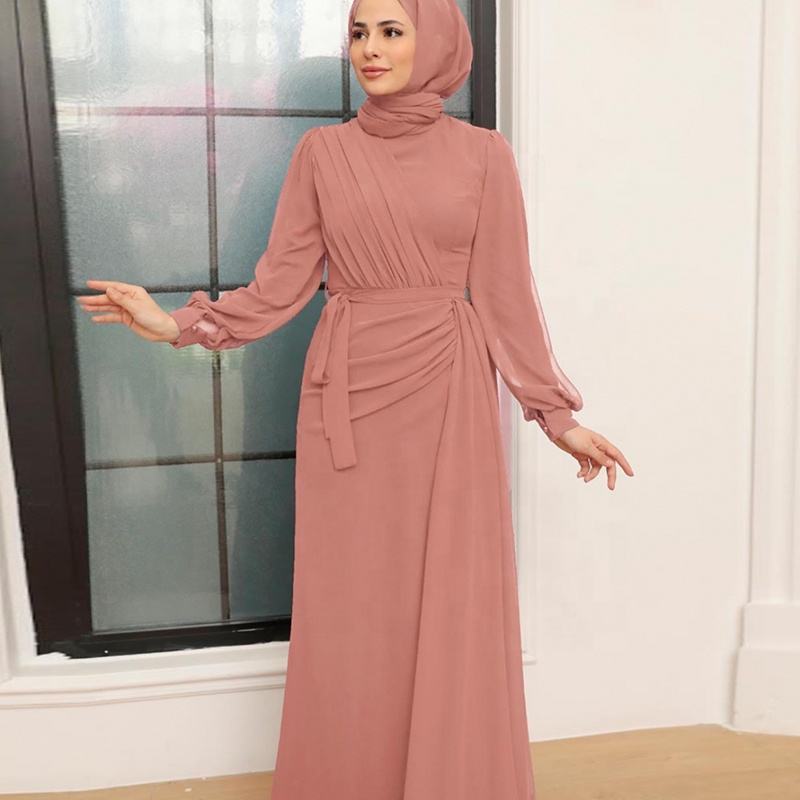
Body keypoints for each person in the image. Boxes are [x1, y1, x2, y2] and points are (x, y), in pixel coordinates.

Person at [78, 0, 634, 796]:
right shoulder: (323, 153)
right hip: (348, 395)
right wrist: (176, 324)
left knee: (446, 592)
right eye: (359, 32)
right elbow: (278, 286)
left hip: (446, 392)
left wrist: (557, 416)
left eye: (391, 31)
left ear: (434, 41)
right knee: (352, 599)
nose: (369, 48)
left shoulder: (484, 156)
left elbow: (506, 293)